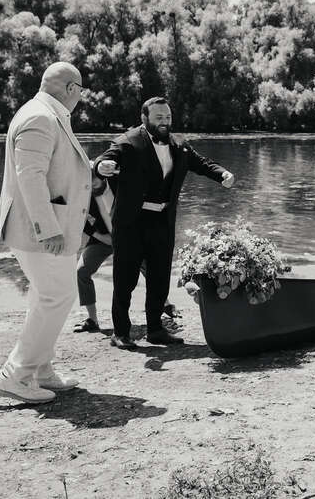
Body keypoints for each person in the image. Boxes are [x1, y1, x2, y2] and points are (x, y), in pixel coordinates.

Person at [95, 96, 234, 349]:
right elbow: (104, 160)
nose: (164, 122)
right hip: (131, 223)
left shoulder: (178, 143)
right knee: (124, 278)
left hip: (163, 220)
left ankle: (156, 330)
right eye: (159, 118)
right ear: (144, 118)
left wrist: (222, 174)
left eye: (167, 117)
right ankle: (121, 332)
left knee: (159, 277)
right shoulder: (128, 142)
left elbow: (201, 164)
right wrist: (101, 166)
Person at [0, 62, 91, 403]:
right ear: (72, 88)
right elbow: (29, 177)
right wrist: (48, 229)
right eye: (81, 91)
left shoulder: (46, 114)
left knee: (45, 295)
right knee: (57, 296)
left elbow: (53, 170)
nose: (80, 98)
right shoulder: (40, 117)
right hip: (40, 231)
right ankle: (16, 374)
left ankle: (41, 371)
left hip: (45, 227)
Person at [73, 176, 180, 333]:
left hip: (129, 237)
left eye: (95, 175)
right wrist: (100, 236)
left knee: (150, 269)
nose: (92, 179)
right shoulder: (81, 195)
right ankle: (92, 320)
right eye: (88, 177)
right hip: (103, 239)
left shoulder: (119, 183)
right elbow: (80, 221)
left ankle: (165, 305)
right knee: (81, 271)